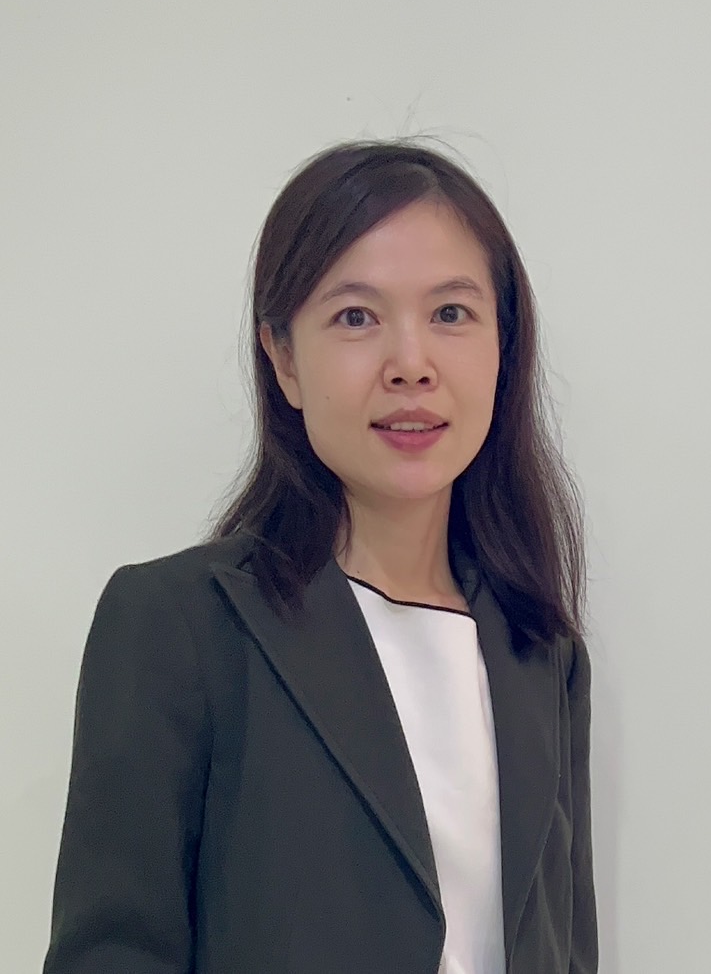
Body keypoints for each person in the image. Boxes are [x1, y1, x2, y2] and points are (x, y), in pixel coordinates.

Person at [43, 140, 598, 973]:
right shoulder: (181, 625)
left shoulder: (542, 652)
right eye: (356, 317)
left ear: (502, 347)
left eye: (451, 314)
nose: (410, 365)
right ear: (284, 360)